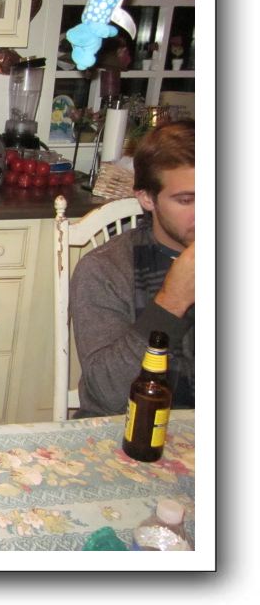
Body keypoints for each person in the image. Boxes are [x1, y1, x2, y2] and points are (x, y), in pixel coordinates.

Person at [71, 119, 195, 417]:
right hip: (129, 426)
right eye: (187, 200)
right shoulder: (105, 269)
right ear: (147, 198)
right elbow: (108, 394)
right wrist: (170, 303)